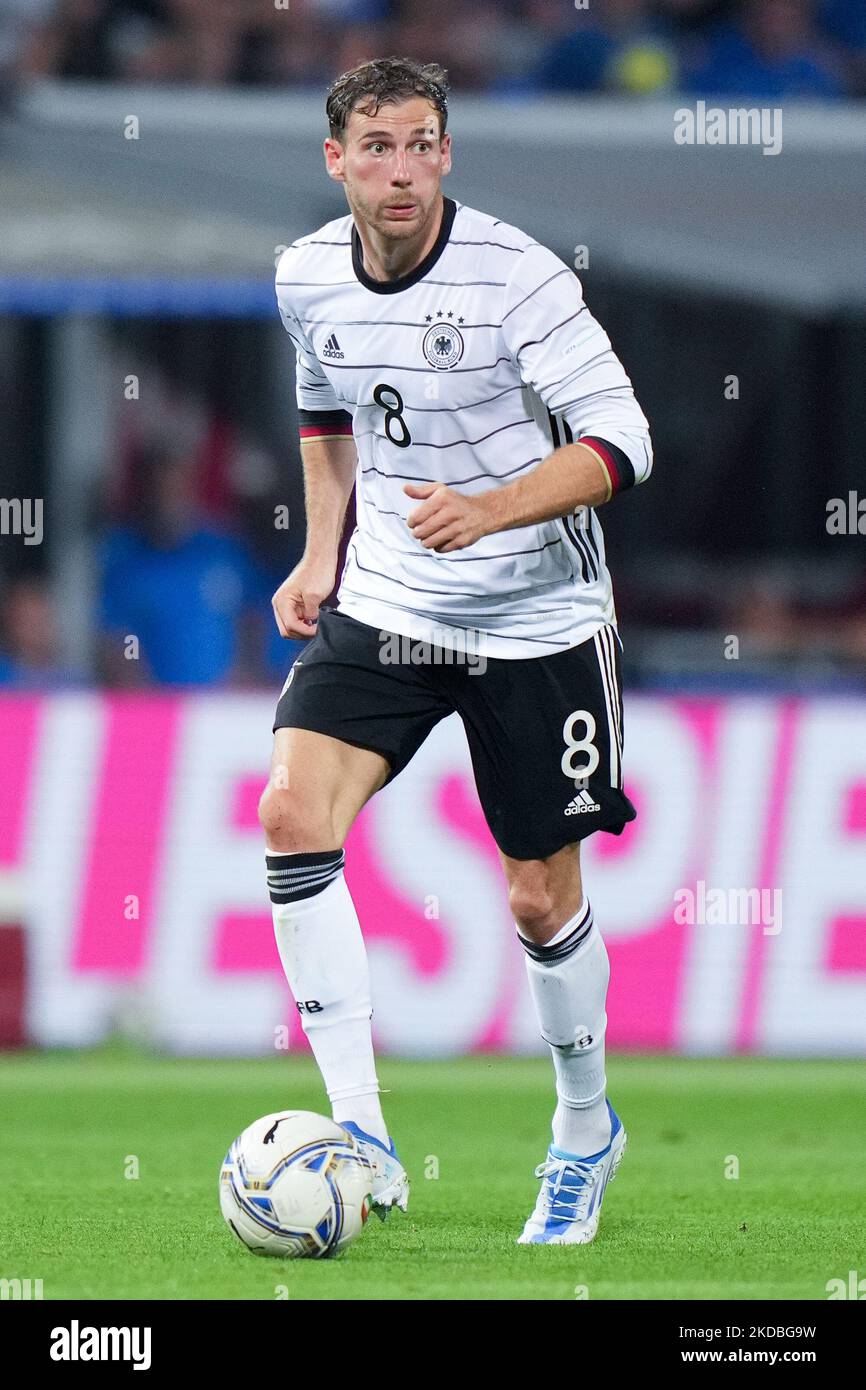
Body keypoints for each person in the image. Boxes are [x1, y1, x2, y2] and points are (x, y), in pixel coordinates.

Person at [260, 56, 653, 1246]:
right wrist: (320, 552)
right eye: (374, 146)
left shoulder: (515, 278)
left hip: (537, 614)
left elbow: (622, 439)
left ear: (446, 154)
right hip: (389, 598)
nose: (398, 169)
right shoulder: (304, 274)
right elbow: (325, 413)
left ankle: (583, 1129)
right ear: (335, 161)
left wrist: (491, 507)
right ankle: (360, 1134)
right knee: (291, 813)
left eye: (419, 143)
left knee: (537, 893)